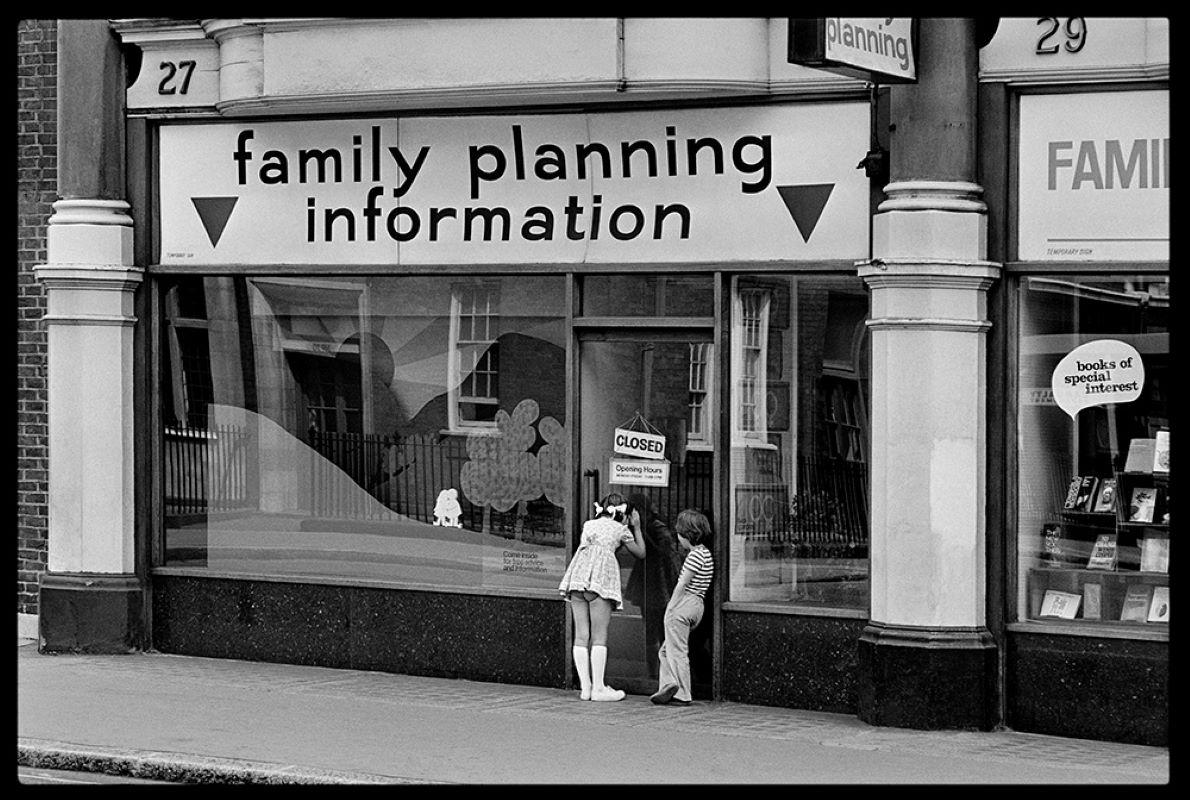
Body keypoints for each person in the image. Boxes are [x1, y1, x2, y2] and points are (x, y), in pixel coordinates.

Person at [557, 492, 646, 701]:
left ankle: (585, 688)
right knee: (599, 636)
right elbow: (641, 553)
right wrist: (637, 527)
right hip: (600, 582)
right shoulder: (621, 529)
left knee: (581, 635)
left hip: (578, 578)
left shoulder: (589, 525)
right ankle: (599, 688)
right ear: (623, 513)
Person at [650, 508, 714, 707]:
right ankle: (669, 685)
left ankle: (682, 692)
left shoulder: (694, 556)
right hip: (697, 604)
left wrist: (671, 606)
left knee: (676, 650)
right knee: (666, 650)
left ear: (686, 535)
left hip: (684, 603)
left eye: (679, 533)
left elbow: (682, 584)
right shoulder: (707, 554)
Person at [622, 493, 683, 678]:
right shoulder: (645, 526)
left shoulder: (657, 527)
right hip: (649, 583)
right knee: (651, 629)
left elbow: (663, 553)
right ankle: (654, 674)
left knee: (661, 629)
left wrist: (641, 531)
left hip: (659, 583)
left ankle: (663, 674)